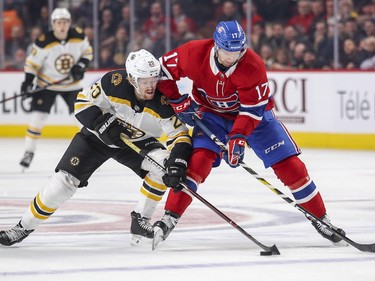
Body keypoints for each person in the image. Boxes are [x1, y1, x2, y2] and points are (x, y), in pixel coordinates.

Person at [153, 20, 346, 247]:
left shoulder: (253, 65)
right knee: (196, 163)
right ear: (216, 46)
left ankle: (321, 219)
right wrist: (177, 100)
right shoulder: (193, 52)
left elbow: (252, 110)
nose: (232, 57)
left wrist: (238, 137)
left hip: (255, 119)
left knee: (291, 166)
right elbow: (162, 70)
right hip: (212, 116)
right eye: (227, 52)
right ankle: (169, 218)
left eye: (238, 52)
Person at [0, 49, 192, 246]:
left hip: (136, 142)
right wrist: (102, 123)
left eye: (153, 80)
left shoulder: (163, 100)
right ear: (132, 78)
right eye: (144, 81)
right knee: (62, 184)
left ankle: (140, 220)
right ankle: (23, 227)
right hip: (96, 138)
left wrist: (177, 163)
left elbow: (180, 135)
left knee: (163, 167)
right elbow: (82, 103)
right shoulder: (114, 82)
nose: (150, 86)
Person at [19, 8, 93, 170]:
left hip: (71, 85)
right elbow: (32, 63)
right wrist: (27, 82)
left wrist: (81, 65)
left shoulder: (79, 36)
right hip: (47, 84)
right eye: (59, 23)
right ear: (53, 24)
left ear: (69, 23)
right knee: (37, 119)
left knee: (81, 118)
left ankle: (91, 152)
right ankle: (29, 151)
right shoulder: (43, 41)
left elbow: (87, 52)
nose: (62, 26)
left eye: (65, 22)